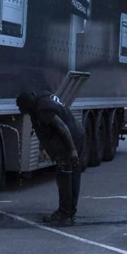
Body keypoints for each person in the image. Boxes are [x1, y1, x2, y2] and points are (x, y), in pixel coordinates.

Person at [16, 91, 85, 226]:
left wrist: (72, 151)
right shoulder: (40, 101)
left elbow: (62, 128)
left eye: (20, 108)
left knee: (65, 175)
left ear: (27, 105)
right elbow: (44, 129)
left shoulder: (43, 110)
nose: (20, 111)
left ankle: (64, 214)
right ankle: (70, 212)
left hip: (70, 139)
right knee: (72, 175)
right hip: (77, 134)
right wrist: (43, 147)